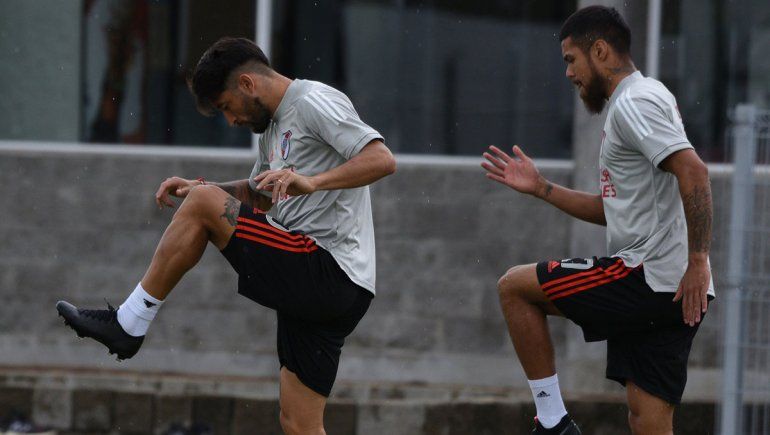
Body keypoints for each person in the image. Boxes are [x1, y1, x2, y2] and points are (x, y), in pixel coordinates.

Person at [56, 37, 395, 435]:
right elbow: (259, 195)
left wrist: (312, 182)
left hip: (327, 269)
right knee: (298, 423)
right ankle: (130, 321)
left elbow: (381, 159)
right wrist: (202, 189)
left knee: (204, 203)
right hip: (330, 289)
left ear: (247, 84)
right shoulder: (272, 130)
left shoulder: (314, 101)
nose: (231, 120)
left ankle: (128, 324)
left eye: (226, 107)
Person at [481, 6, 714, 435]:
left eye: (571, 59)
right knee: (648, 421)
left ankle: (552, 422)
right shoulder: (648, 95)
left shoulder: (634, 103)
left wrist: (698, 259)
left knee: (515, 288)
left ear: (601, 50)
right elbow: (616, 209)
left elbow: (694, 171)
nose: (569, 73)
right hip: (674, 288)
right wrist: (542, 188)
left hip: (647, 276)